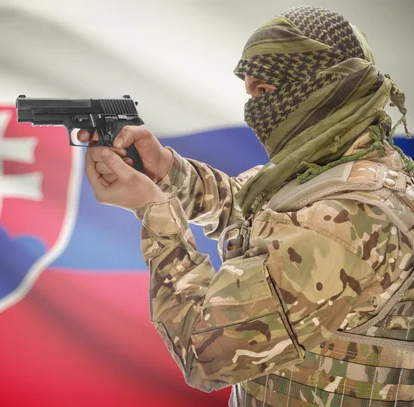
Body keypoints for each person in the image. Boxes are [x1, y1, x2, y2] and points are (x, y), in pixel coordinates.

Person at [80, 5, 414, 407]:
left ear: (324, 85)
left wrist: (154, 210)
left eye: (264, 91)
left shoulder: (348, 220)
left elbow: (205, 354)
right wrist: (165, 169)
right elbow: (245, 208)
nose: (254, 109)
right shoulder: (331, 169)